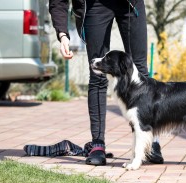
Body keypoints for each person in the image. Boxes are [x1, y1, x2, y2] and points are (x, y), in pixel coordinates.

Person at [48, 0, 164, 166]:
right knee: (98, 75)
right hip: (95, 5)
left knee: (140, 73)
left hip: (131, 4)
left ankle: (149, 141)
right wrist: (63, 34)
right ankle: (97, 145)